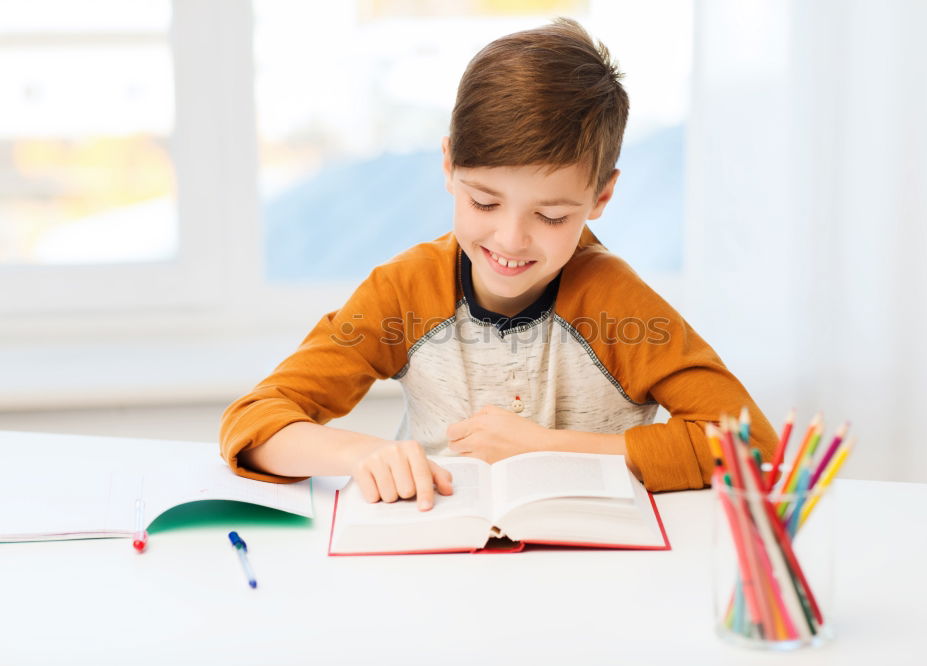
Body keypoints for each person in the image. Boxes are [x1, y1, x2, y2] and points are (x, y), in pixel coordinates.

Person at [220, 17, 777, 510]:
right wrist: (362, 453)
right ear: (448, 165)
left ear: (601, 198)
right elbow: (254, 421)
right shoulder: (407, 291)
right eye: (484, 202)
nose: (510, 239)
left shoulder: (617, 304)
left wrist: (547, 448)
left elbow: (752, 447)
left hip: (599, 575)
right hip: (442, 562)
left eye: (553, 216)